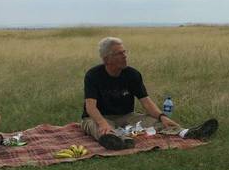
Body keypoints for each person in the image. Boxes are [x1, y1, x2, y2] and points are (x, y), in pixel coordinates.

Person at [82, 37, 218, 149]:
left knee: (154, 122)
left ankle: (187, 133)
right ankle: (118, 141)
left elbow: (146, 101)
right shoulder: (93, 75)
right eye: (119, 53)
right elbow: (91, 106)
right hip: (98, 116)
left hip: (127, 115)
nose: (125, 56)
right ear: (107, 59)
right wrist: (102, 123)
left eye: (125, 52)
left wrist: (162, 116)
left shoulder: (132, 74)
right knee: (101, 129)